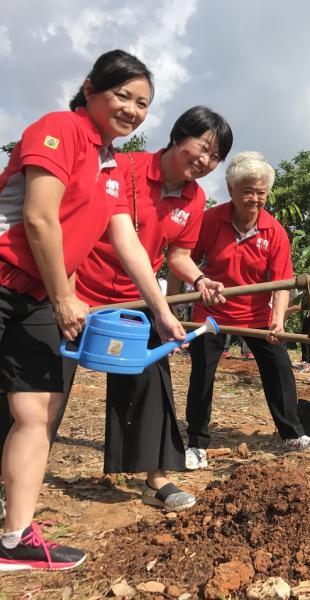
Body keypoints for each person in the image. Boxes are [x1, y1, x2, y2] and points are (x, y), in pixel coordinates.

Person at [0, 49, 184, 571]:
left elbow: (123, 240)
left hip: (37, 295)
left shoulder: (114, 165)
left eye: (143, 103)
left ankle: (15, 540)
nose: (132, 109)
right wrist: (65, 295)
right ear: (90, 88)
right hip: (7, 279)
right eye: (122, 95)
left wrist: (162, 311)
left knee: (37, 413)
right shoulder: (58, 129)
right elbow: (38, 219)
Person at [66, 106, 231, 511]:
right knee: (42, 390)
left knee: (153, 382)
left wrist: (199, 280)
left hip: (137, 301)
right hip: (80, 292)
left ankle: (156, 477)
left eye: (214, 157)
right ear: (177, 136)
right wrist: (64, 291)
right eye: (202, 147)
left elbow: (179, 254)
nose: (204, 161)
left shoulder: (195, 198)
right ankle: (8, 478)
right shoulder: (124, 168)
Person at [182, 151, 310, 470]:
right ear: (231, 189)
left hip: (256, 316)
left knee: (280, 367)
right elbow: (186, 258)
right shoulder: (211, 220)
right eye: (247, 191)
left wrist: (277, 319)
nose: (254, 198)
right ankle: (197, 444)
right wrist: (199, 282)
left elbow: (282, 282)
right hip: (212, 313)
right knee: (202, 373)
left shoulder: (274, 231)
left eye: (261, 192)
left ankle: (291, 435)